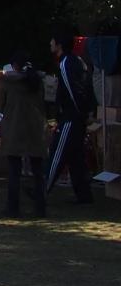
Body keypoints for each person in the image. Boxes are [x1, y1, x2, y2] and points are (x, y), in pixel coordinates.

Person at [0, 53, 49, 217]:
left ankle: (13, 208)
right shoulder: (38, 81)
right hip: (35, 128)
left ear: (14, 65)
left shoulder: (10, 82)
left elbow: (0, 102)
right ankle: (40, 208)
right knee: (38, 171)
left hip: (15, 128)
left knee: (14, 170)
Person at [49, 34, 95, 205]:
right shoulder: (77, 61)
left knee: (57, 152)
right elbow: (87, 86)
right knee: (76, 157)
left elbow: (72, 90)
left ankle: (43, 189)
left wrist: (80, 112)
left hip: (71, 117)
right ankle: (84, 196)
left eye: (52, 40)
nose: (50, 43)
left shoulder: (66, 63)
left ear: (59, 44)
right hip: (77, 116)